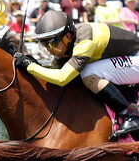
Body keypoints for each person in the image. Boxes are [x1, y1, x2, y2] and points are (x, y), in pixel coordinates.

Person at [14, 9, 139, 138]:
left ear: (67, 36)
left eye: (51, 42)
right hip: (128, 58)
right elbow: (55, 71)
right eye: (44, 43)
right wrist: (37, 66)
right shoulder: (68, 41)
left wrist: (31, 67)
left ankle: (129, 114)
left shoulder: (84, 42)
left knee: (89, 72)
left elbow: (62, 78)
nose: (48, 49)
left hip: (136, 59)